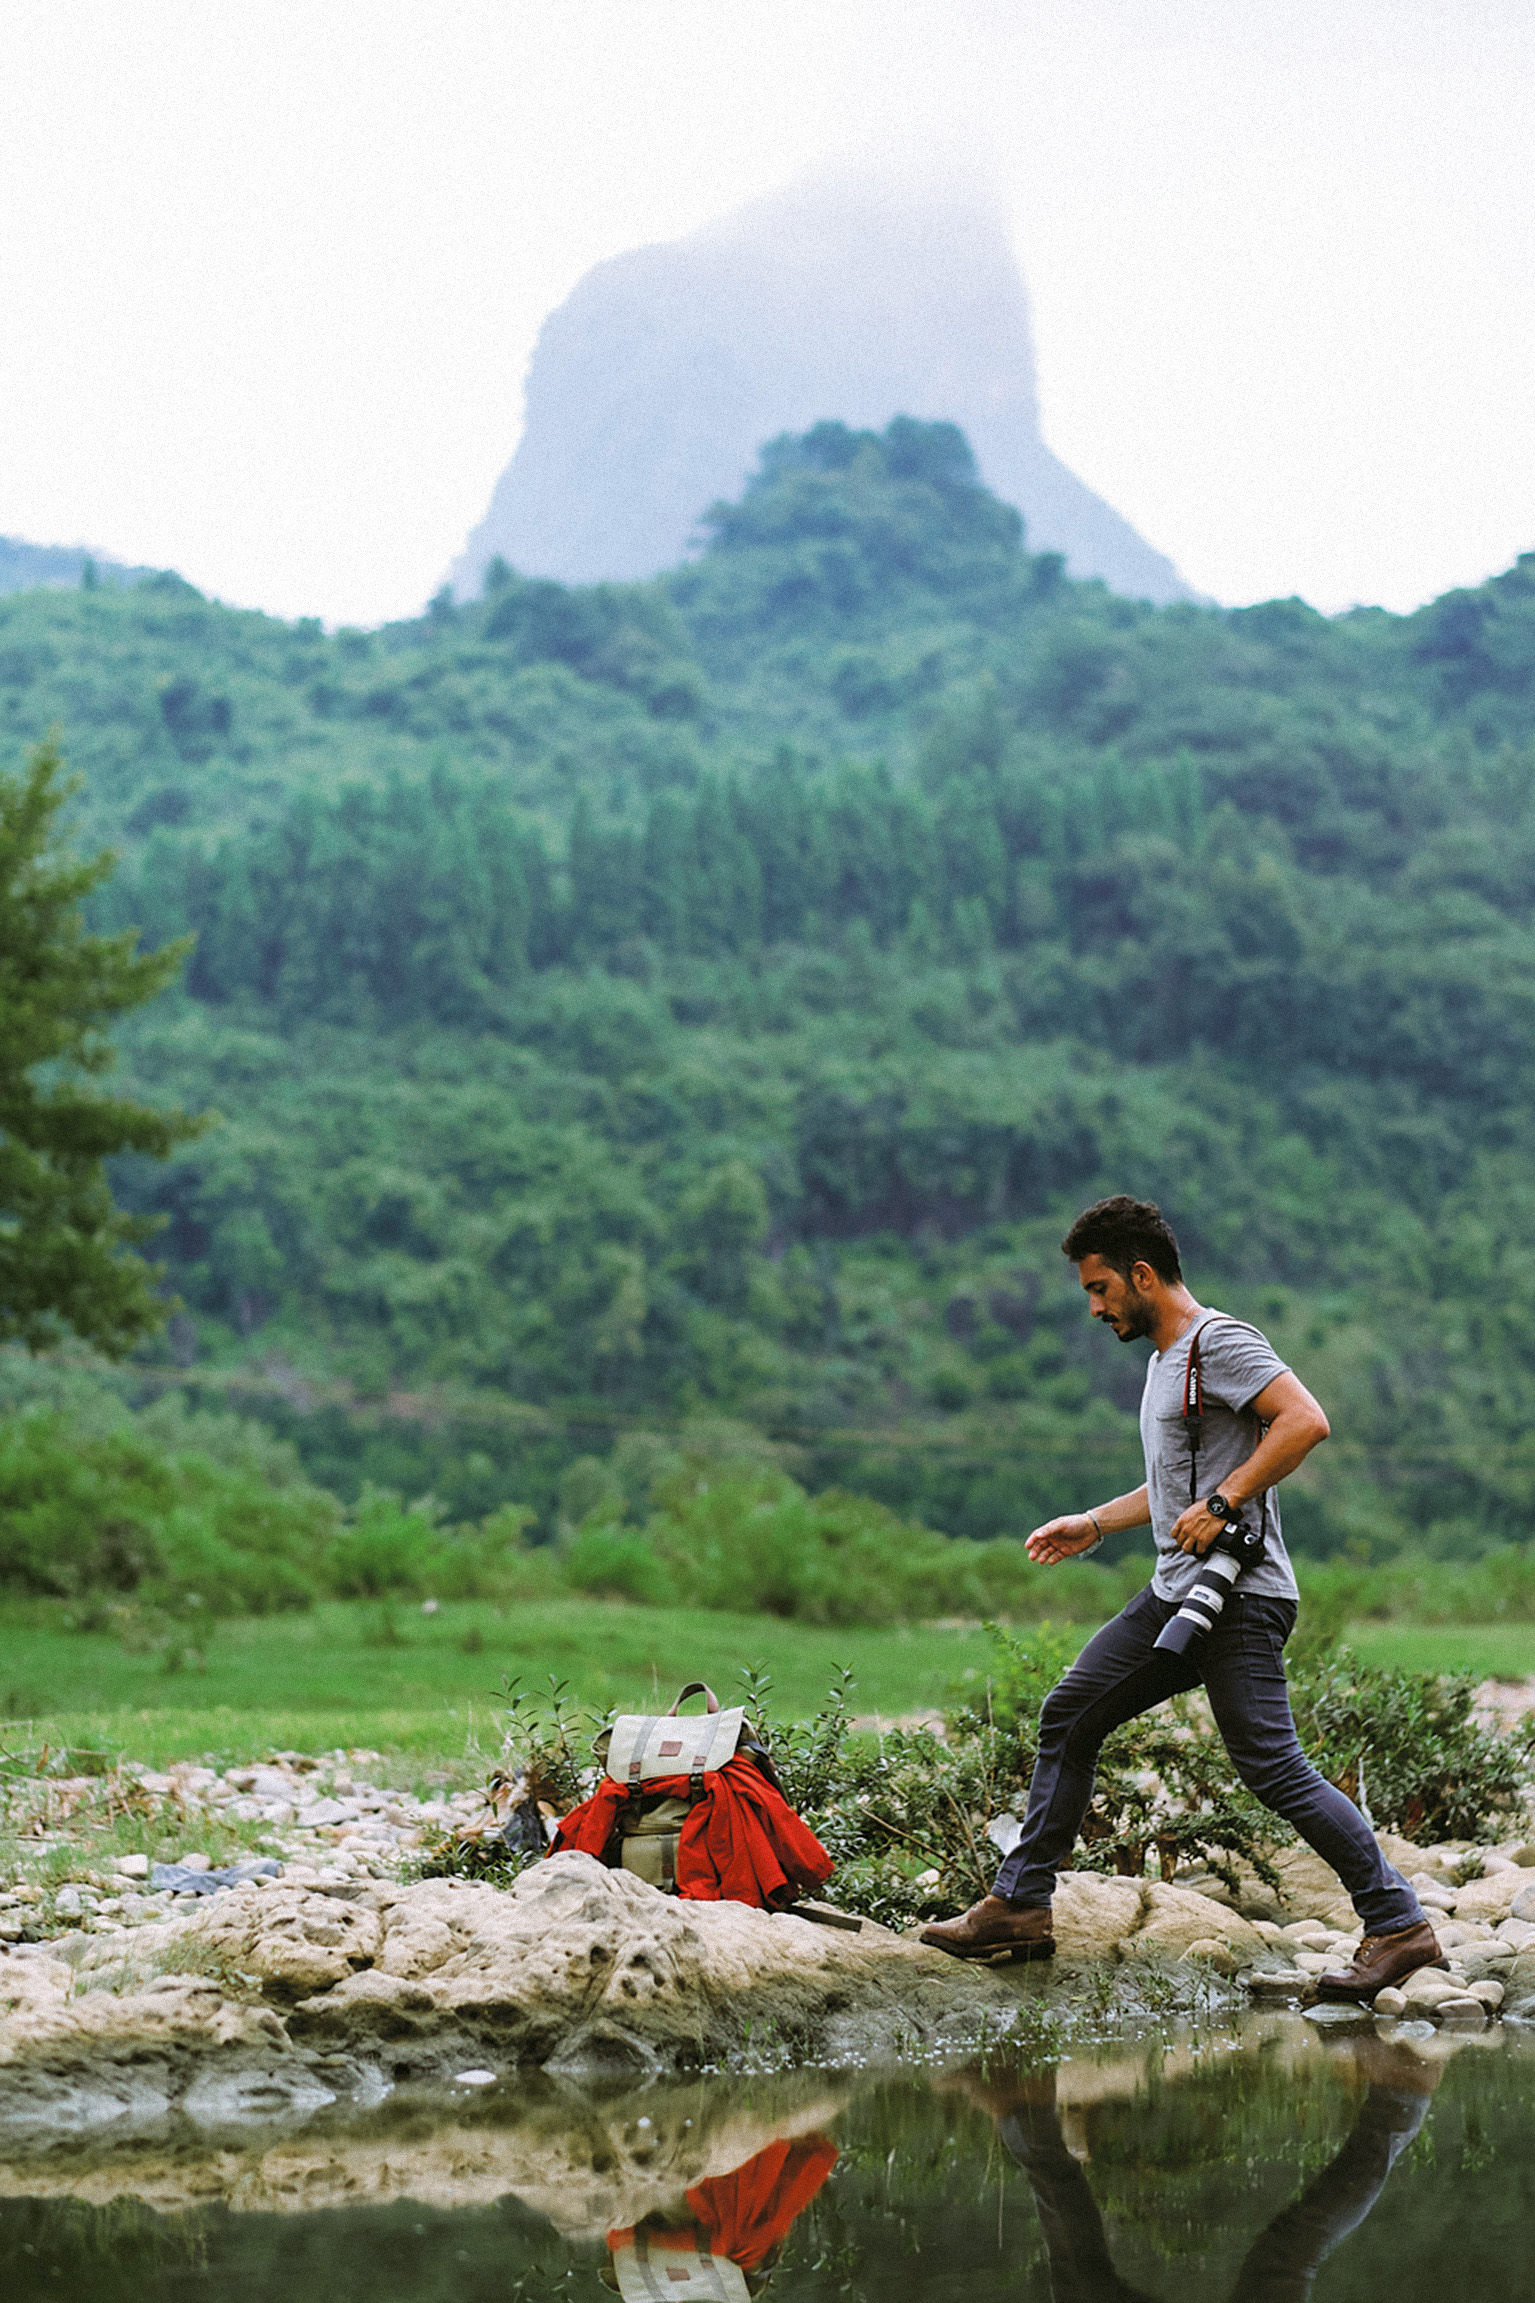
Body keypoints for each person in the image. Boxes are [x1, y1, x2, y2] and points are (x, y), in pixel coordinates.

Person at [921, 1195, 1444, 2002]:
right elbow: (1177, 1490)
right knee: (1070, 1712)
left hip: (1238, 1597)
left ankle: (1400, 1925)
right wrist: (1095, 1522)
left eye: (1100, 1289)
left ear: (1140, 1274)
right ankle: (1020, 1907)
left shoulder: (1219, 1341)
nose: (1094, 1307)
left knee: (1272, 1766)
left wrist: (1230, 1499)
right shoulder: (1165, 1361)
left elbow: (1303, 1421)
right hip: (1175, 1592)